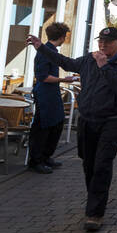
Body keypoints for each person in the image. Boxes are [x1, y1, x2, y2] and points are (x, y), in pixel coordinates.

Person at [25, 26, 117, 231]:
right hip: (87, 119)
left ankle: (94, 213)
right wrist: (42, 48)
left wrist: (105, 67)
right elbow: (66, 63)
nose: (102, 46)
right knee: (88, 163)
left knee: (102, 164)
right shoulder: (88, 59)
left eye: (108, 43)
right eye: (100, 42)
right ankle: (94, 197)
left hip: (112, 120)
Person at [26, 22, 78, 174]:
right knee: (43, 126)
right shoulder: (45, 51)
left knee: (56, 123)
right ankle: (35, 161)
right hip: (44, 93)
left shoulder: (51, 50)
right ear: (62, 37)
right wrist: (64, 80)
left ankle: (45, 156)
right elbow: (43, 77)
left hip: (51, 92)